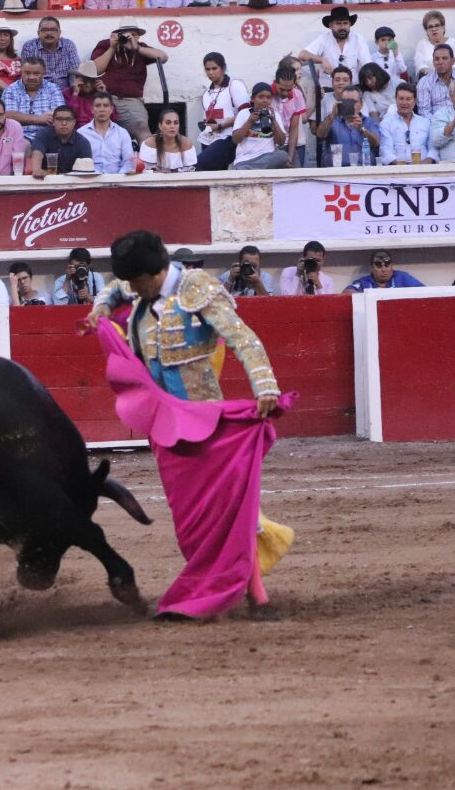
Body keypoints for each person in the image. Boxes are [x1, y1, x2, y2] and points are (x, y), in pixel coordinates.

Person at [86, 230, 290, 619]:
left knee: (228, 511)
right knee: (191, 520)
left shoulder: (198, 289)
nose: (129, 289)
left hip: (206, 423)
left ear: (153, 273)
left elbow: (243, 338)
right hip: (165, 430)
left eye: (135, 282)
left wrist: (265, 385)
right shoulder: (140, 290)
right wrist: (99, 307)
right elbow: (113, 289)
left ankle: (256, 594)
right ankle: (222, 585)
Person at [90, 20, 165, 143]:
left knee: (142, 128)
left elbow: (163, 57)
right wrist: (112, 48)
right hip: (105, 97)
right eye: (125, 34)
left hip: (131, 101)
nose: (129, 37)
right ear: (118, 34)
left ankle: (150, 161)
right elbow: (95, 70)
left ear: (138, 36)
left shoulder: (141, 48)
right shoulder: (105, 45)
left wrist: (137, 48)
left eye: (134, 35)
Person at [2, 58, 64, 143]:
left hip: (48, 137)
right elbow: (9, 116)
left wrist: (21, 117)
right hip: (20, 136)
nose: (31, 77)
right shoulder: (11, 90)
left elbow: (58, 115)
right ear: (21, 73)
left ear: (43, 74)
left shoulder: (53, 89)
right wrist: (39, 119)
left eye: (36, 73)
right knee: (21, 145)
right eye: (27, 73)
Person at [298, 7, 372, 77]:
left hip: (353, 86)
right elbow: (302, 55)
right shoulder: (324, 39)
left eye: (345, 23)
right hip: (329, 85)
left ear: (350, 24)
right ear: (331, 26)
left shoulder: (358, 39)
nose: (342, 27)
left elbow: (367, 64)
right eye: (338, 23)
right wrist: (322, 60)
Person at [197, 53, 247, 153]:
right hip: (209, 139)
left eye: (214, 68)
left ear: (223, 68)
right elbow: (208, 120)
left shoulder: (235, 85)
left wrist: (220, 126)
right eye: (207, 69)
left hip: (230, 138)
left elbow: (245, 113)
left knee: (201, 164)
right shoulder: (206, 94)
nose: (211, 72)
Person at [78, 91, 134, 174]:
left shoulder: (122, 133)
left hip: (117, 181)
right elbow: (79, 162)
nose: (102, 109)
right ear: (92, 109)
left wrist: (118, 178)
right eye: (98, 106)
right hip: (90, 180)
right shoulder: (81, 133)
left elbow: (128, 161)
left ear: (111, 109)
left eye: (106, 105)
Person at [380, 82, 435, 164]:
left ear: (415, 101)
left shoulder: (425, 122)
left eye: (408, 99)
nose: (404, 103)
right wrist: (404, 167)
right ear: (395, 99)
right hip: (397, 170)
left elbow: (433, 148)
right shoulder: (386, 124)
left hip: (424, 169)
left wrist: (426, 163)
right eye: (401, 99)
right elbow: (386, 152)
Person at [321, 87, 379, 167]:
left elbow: (376, 143)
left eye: (354, 102)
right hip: (337, 171)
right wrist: (332, 114)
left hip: (364, 170)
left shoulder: (370, 122)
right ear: (340, 103)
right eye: (346, 102)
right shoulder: (333, 121)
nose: (350, 105)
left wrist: (362, 129)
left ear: (361, 104)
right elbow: (320, 135)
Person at [21, 17, 81, 90]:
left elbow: (75, 72)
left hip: (65, 92)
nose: (49, 33)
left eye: (53, 30)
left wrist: (72, 92)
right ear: (38, 33)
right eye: (45, 30)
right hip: (40, 91)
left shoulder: (68, 45)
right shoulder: (30, 46)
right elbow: (27, 75)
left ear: (59, 33)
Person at [30, 105, 92, 178]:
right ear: (53, 121)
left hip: (73, 183)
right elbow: (37, 153)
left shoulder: (83, 142)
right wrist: (37, 170)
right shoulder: (43, 134)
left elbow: (86, 173)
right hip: (46, 182)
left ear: (74, 122)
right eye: (59, 119)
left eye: (68, 119)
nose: (64, 123)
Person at [139, 108, 196, 172]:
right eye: (168, 123)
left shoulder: (186, 143)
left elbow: (190, 173)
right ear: (160, 126)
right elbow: (147, 172)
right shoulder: (151, 143)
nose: (172, 126)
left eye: (176, 123)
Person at [344, 250, 425, 293]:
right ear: (372, 268)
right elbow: (346, 293)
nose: (384, 270)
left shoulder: (402, 277)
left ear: (392, 266)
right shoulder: (364, 282)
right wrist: (369, 295)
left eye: (387, 266)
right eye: (379, 266)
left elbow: (424, 290)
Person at [413, 11, 455, 80]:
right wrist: (434, 76)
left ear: (443, 27)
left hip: (450, 80)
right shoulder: (422, 44)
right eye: (430, 27)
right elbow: (419, 65)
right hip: (427, 79)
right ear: (426, 31)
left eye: (437, 25)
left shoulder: (453, 42)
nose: (434, 29)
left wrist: (444, 75)